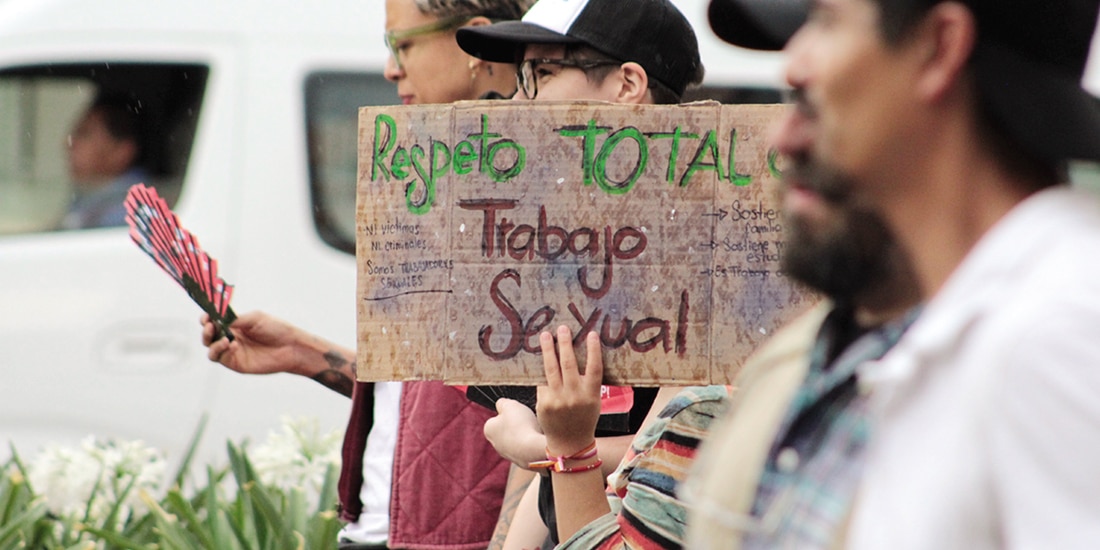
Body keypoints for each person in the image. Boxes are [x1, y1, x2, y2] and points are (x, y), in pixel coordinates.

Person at [695, 0, 1100, 548]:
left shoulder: (1054, 336)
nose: (793, 64)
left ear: (938, 48)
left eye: (826, 20)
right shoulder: (958, 330)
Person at [201, 1, 534, 549]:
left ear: (474, 42)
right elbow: (437, 396)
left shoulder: (537, 191)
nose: (390, 69)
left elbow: (542, 409)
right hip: (376, 528)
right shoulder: (427, 165)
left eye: (403, 44)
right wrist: (304, 354)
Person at [455, 0, 710, 546]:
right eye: (522, 79)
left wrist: (542, 447)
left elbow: (684, 448)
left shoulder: (705, 249)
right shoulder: (560, 243)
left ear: (627, 85)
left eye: (543, 74)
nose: (523, 102)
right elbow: (551, 471)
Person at [60, 94, 148, 229]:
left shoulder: (125, 214)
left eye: (84, 134)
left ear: (122, 152)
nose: (69, 143)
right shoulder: (93, 198)